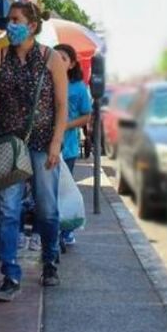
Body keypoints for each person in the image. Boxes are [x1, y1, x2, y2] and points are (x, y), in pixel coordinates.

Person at [0, 0, 69, 299]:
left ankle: (50, 259)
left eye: (16, 20)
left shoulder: (51, 58)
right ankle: (10, 273)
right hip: (8, 144)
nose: (11, 25)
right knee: (7, 210)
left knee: (46, 207)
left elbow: (61, 105)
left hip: (43, 142)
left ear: (32, 26)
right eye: (10, 19)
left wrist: (57, 142)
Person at [53, 44, 92, 246]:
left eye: (63, 58)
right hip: (44, 144)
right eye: (55, 57)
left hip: (67, 147)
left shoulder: (78, 88)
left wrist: (66, 124)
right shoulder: (45, 83)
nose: (58, 61)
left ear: (72, 64)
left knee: (64, 189)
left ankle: (66, 230)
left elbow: (86, 116)